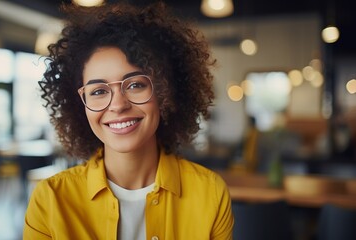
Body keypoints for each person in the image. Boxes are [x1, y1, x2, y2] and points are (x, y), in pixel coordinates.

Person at [23, 2, 234, 239]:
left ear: (165, 91)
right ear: (79, 105)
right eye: (98, 91)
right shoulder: (50, 200)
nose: (118, 105)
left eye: (135, 85)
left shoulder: (210, 193)